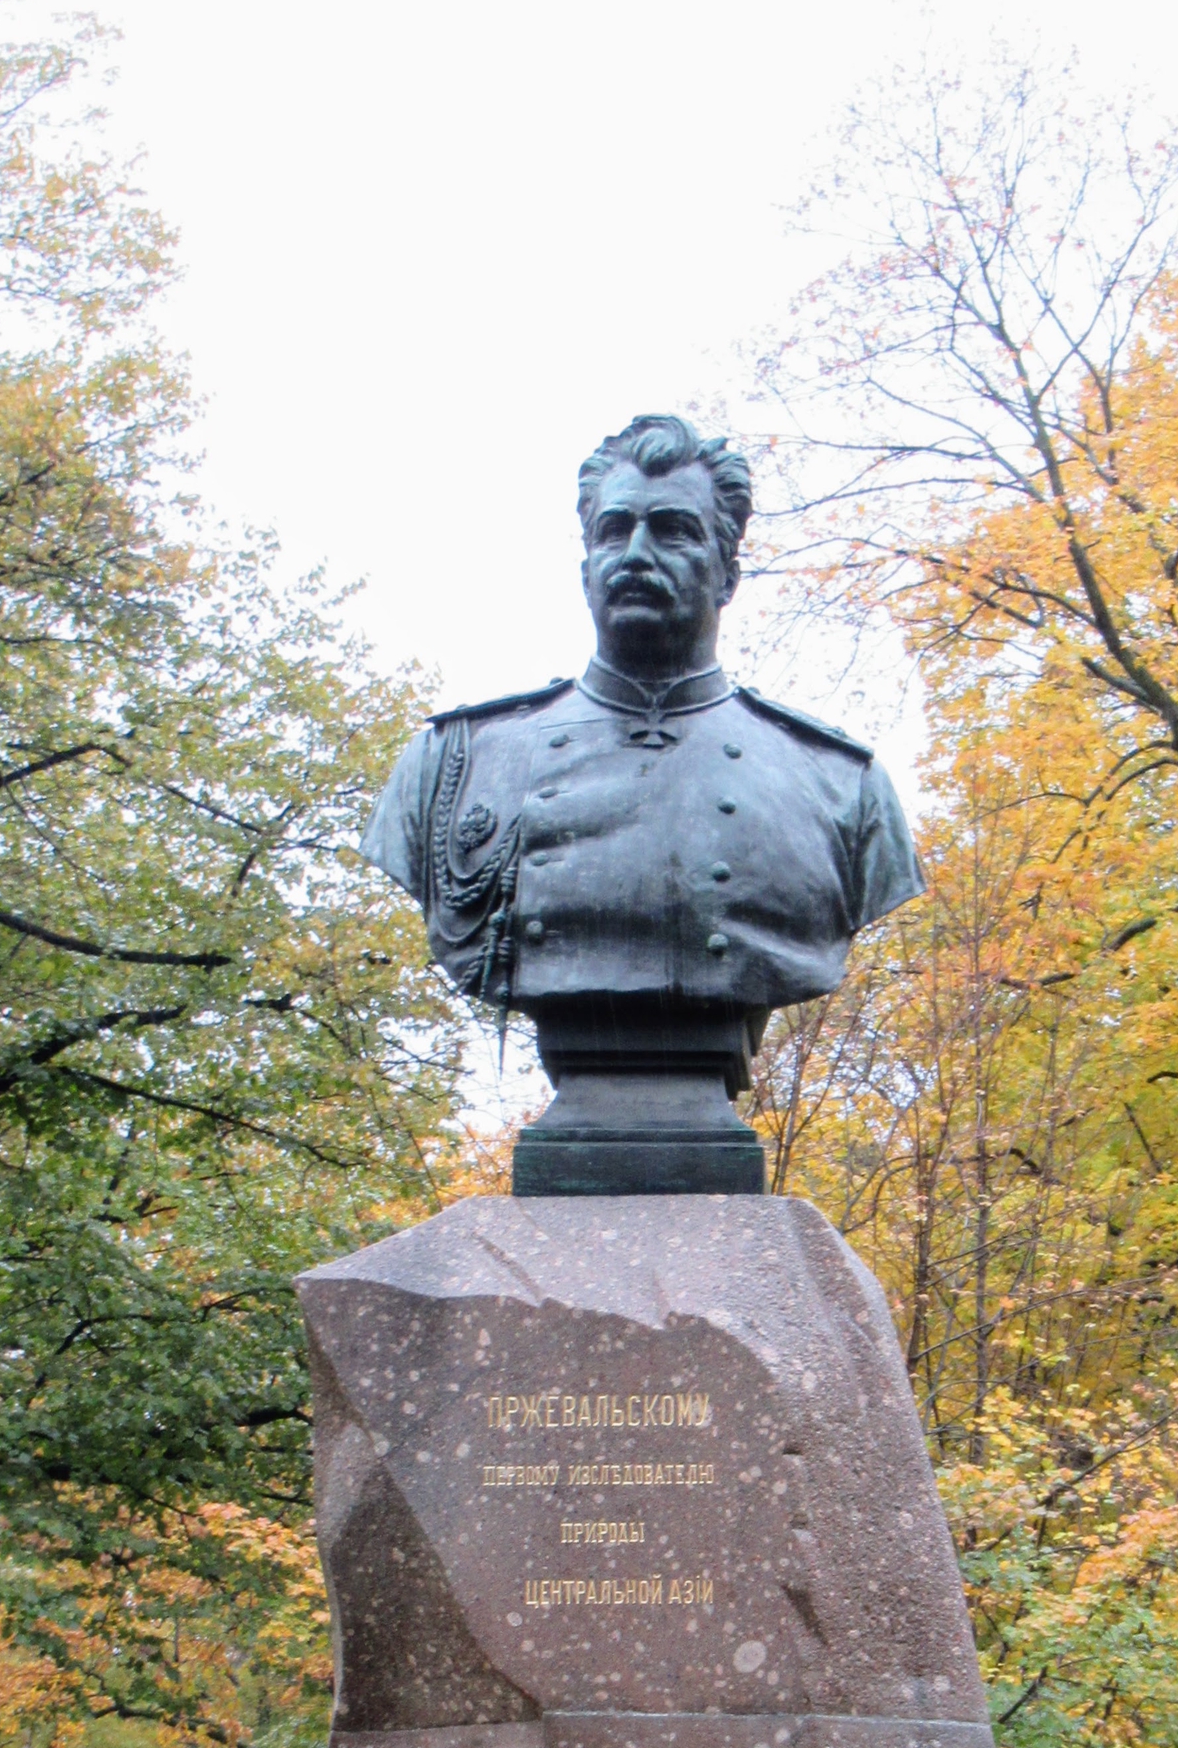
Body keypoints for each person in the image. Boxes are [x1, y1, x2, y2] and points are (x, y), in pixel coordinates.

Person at [363, 413, 922, 1190]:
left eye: (672, 531)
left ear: (728, 571)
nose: (635, 554)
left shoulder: (836, 783)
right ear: (584, 559)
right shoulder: (456, 761)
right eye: (613, 529)